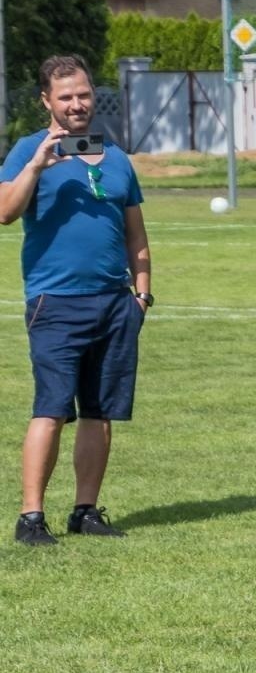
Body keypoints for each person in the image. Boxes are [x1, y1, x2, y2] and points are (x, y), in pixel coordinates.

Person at [0, 55, 152, 546]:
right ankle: (31, 519)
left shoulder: (115, 156)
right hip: (56, 303)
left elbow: (136, 235)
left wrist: (142, 295)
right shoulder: (27, 150)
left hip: (114, 303)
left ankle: (85, 510)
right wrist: (38, 167)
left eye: (83, 94)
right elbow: (4, 212)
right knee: (50, 409)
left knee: (99, 412)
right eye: (65, 97)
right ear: (47, 101)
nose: (76, 104)